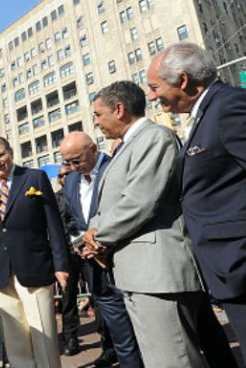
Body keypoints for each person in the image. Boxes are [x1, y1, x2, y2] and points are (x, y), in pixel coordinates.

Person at [82, 81, 207, 368]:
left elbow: (140, 200)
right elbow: (112, 203)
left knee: (173, 359)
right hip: (138, 273)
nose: (96, 122)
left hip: (158, 273)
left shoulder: (155, 138)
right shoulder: (126, 147)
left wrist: (98, 235)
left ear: (119, 109)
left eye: (98, 114)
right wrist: (92, 232)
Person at [146, 41, 246, 363]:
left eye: (154, 86)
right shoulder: (206, 113)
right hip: (228, 271)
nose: (151, 96)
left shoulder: (228, 106)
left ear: (183, 80)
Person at [0, 136, 69, 368]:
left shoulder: (34, 177)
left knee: (44, 336)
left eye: (0, 155)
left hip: (35, 267)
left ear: (11, 152)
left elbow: (54, 224)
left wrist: (61, 265)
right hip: (1, 272)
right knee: (14, 338)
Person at [60, 132, 142, 368]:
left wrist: (104, 242)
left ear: (93, 149)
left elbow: (133, 208)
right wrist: (82, 244)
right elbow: (74, 221)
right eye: (67, 162)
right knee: (120, 334)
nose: (73, 167)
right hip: (96, 270)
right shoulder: (73, 181)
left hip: (127, 260)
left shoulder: (117, 166)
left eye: (77, 160)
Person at [53, 164, 83, 359]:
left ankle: (108, 342)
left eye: (67, 174)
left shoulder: (85, 190)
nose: (64, 178)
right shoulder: (56, 198)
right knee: (68, 298)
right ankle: (70, 339)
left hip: (89, 251)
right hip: (69, 253)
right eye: (61, 176)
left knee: (99, 296)